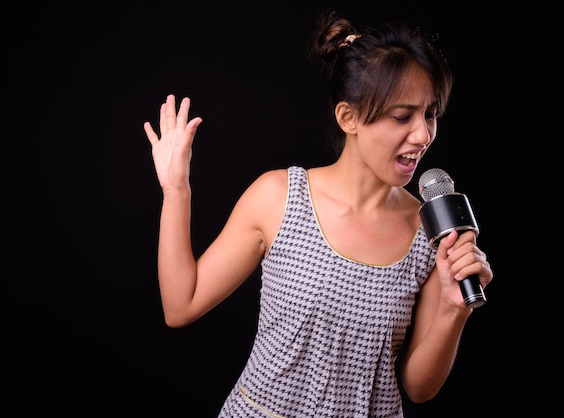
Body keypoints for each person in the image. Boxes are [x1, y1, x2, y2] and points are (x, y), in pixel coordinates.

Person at [143, 9, 493, 418]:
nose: (422, 135)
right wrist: (176, 188)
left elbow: (418, 388)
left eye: (430, 114)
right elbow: (180, 305)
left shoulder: (429, 231)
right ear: (348, 117)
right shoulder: (278, 197)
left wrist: (454, 308)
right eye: (402, 116)